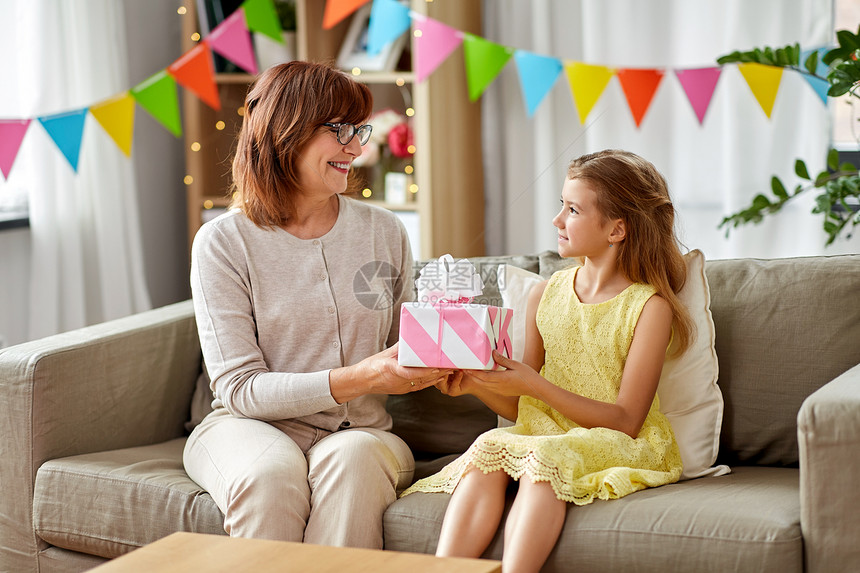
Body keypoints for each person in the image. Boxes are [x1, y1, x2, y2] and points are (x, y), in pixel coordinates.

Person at [183, 61, 448, 548]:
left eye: (359, 129)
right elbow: (240, 388)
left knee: (353, 461)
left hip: (363, 433)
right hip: (246, 427)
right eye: (339, 129)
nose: (357, 146)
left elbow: (406, 347)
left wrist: (450, 357)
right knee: (269, 475)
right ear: (284, 132)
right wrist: (362, 377)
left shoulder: (383, 231)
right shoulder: (223, 242)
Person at [401, 149, 694, 572]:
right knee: (489, 445)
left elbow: (627, 419)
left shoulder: (649, 307)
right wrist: (478, 384)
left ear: (617, 229)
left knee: (543, 462)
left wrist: (531, 384)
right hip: (545, 433)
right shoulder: (547, 293)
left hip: (615, 440)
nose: (557, 220)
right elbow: (524, 405)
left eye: (572, 209)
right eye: (561, 205)